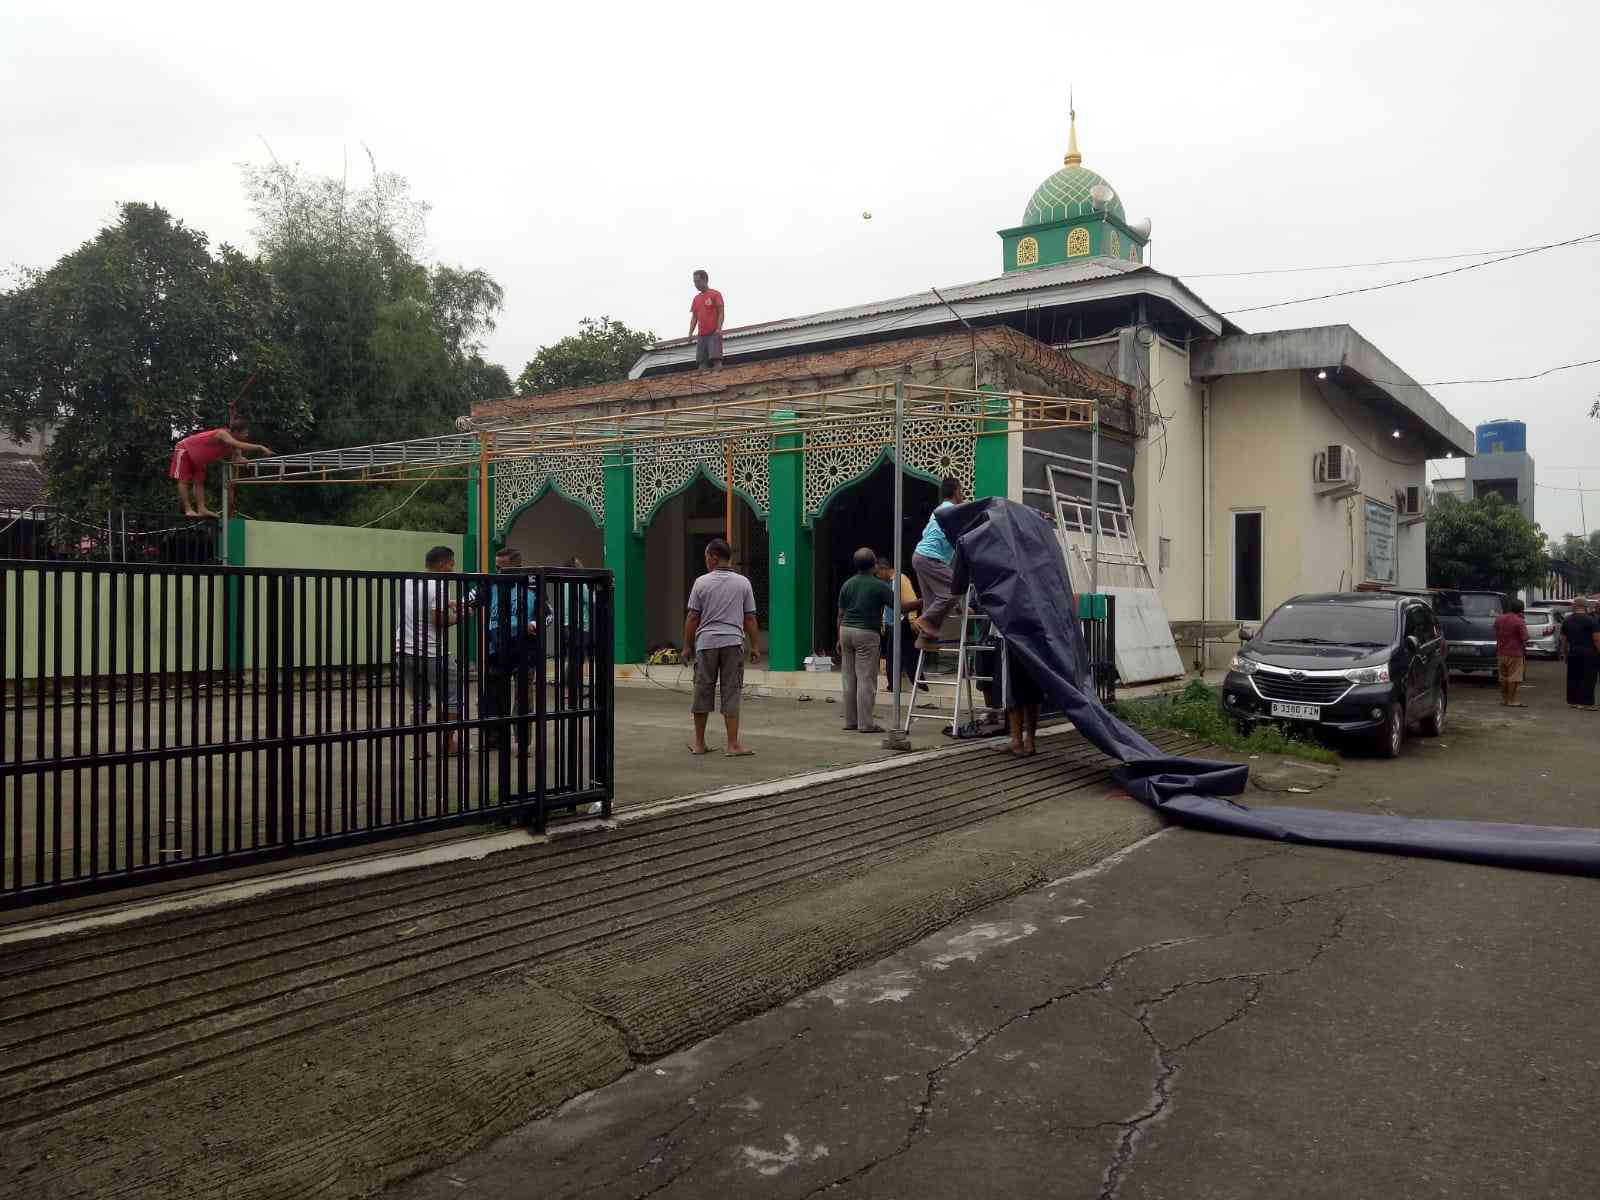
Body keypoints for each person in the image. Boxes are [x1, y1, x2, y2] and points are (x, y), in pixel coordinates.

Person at [684, 538, 759, 755]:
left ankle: (699, 744)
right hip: (732, 643)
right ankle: (733, 745)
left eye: (707, 556)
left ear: (714, 557)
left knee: (702, 691)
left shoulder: (701, 582)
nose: (706, 560)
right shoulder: (743, 583)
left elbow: (692, 617)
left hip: (706, 644)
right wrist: (755, 646)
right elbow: (750, 618)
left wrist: (687, 647)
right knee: (731, 692)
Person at [396, 545, 466, 756]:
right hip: (432, 653)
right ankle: (448, 745)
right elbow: (439, 620)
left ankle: (419, 748)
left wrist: (452, 603)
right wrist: (463, 615)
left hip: (404, 651)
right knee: (452, 697)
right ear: (444, 564)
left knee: (418, 701)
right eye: (452, 564)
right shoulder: (439, 585)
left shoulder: (410, 581)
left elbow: (423, 607)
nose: (453, 569)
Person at [479, 547, 539, 751]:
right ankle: (494, 737)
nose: (498, 571)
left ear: (517, 567)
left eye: (502, 567)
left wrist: (534, 624)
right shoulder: (491, 584)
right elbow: (472, 600)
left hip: (524, 649)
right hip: (497, 648)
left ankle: (522, 742)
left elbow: (547, 614)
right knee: (493, 696)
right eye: (496, 567)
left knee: (523, 699)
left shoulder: (532, 585)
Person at [837, 547, 896, 733]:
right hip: (866, 634)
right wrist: (922, 603)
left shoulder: (847, 584)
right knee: (866, 679)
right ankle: (866, 724)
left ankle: (850, 721)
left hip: (845, 631)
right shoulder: (879, 585)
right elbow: (899, 606)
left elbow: (840, 613)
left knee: (848, 679)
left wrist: (839, 638)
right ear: (874, 565)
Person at [169, 422, 271, 517]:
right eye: (244, 433)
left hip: (199, 458)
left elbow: (237, 457)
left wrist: (242, 459)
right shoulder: (223, 434)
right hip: (184, 449)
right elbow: (239, 445)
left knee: (199, 482)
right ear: (235, 432)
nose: (246, 436)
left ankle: (201, 509)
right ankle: (188, 509)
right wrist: (260, 447)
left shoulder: (234, 444)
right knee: (183, 480)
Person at [910, 477, 966, 646]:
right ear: (956, 491)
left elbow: (926, 532)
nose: (962, 494)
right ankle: (923, 621)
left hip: (919, 555)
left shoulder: (939, 510)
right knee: (954, 589)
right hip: (931, 557)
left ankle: (924, 638)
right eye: (961, 491)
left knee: (931, 600)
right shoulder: (955, 511)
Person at [875, 555, 923, 690]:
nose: (877, 576)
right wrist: (883, 622)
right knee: (891, 656)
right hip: (892, 624)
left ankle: (919, 685)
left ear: (884, 569)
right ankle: (893, 686)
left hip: (903, 622)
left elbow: (911, 600)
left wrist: (913, 619)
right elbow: (886, 605)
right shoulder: (886, 583)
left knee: (909, 656)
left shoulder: (900, 579)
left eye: (878, 573)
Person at [1559, 596, 1600, 709]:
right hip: (1589, 653)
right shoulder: (1592, 621)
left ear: (1575, 606)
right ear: (1585, 606)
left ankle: (1573, 701)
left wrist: (1565, 654)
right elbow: (1597, 639)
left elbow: (1564, 640)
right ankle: (1585, 703)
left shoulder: (1567, 620)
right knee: (1588, 678)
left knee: (1573, 677)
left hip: (1573, 652)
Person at [1005, 651, 1047, 758]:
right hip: (1036, 642)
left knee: (1013, 686)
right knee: (1034, 685)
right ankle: (1030, 741)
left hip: (1013, 638)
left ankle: (1017, 741)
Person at [1493, 596, 1530, 708]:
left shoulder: (1499, 619)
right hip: (1515, 653)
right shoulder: (1519, 621)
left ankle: (1504, 699)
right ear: (1521, 609)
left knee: (1503, 677)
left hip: (1501, 652)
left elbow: (1495, 630)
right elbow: (1525, 637)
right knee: (1514, 677)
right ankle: (1511, 700)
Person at [688, 269, 725, 369]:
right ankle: (703, 382)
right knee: (701, 363)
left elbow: (721, 312)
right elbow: (694, 317)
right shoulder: (696, 298)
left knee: (716, 360)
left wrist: (719, 328)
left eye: (697, 281)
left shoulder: (715, 294)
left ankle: (719, 380)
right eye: (694, 282)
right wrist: (690, 333)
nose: (696, 284)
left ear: (705, 280)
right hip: (701, 336)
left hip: (714, 333)